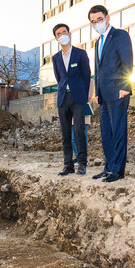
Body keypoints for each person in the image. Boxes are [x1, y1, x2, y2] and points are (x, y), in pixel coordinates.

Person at [88, 4, 133, 183]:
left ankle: (118, 170)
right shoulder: (98, 41)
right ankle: (108, 168)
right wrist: (97, 92)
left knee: (118, 131)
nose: (97, 23)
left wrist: (125, 86)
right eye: (93, 21)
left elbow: (127, 62)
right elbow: (97, 70)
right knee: (106, 132)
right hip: (103, 94)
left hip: (118, 91)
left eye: (100, 19)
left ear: (107, 17)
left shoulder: (120, 35)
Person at [51, 23, 91, 175]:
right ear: (56, 38)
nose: (62, 35)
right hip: (63, 98)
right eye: (59, 34)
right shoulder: (55, 58)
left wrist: (84, 95)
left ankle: (82, 163)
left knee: (79, 131)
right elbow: (59, 77)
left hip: (78, 98)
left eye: (64, 32)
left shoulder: (80, 54)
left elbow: (87, 76)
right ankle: (68, 164)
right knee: (65, 133)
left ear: (69, 33)